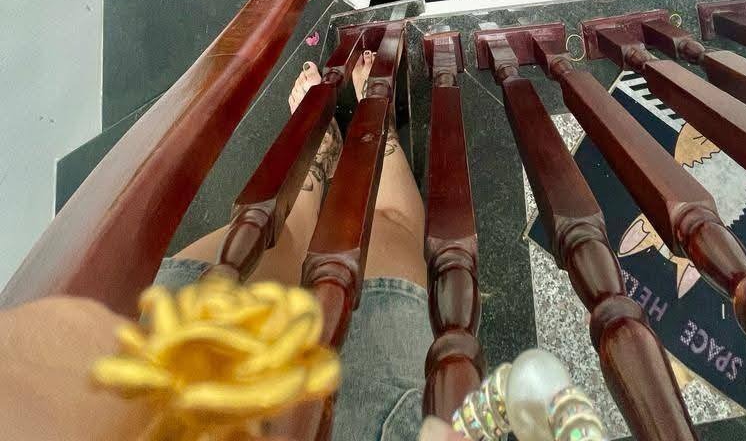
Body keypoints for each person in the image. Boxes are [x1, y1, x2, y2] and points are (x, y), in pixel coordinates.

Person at [0, 52, 443, 441]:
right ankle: (374, 136)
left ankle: (314, 164)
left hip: (170, 363)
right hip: (351, 415)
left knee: (280, 235)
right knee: (386, 225)